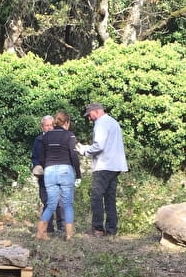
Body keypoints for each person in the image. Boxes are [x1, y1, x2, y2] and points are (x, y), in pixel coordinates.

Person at [78, 102, 128, 237]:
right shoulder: (114, 122)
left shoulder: (100, 123)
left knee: (96, 196)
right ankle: (111, 229)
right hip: (116, 165)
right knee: (110, 198)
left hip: (104, 165)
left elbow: (99, 146)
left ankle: (98, 228)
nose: (89, 118)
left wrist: (84, 150)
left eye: (89, 115)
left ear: (96, 111)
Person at [35, 111, 80, 240]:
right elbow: (73, 156)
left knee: (50, 204)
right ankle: (69, 234)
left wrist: (45, 168)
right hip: (65, 170)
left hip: (49, 171)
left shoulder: (46, 137)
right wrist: (78, 174)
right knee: (67, 204)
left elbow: (42, 157)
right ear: (66, 123)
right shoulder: (69, 135)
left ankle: (40, 233)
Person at [31, 115, 63, 233]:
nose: (49, 128)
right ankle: (48, 228)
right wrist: (36, 166)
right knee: (46, 201)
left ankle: (62, 228)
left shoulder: (60, 138)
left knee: (60, 202)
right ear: (42, 127)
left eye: (51, 125)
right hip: (44, 176)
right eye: (47, 125)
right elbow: (34, 157)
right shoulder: (38, 140)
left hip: (58, 174)